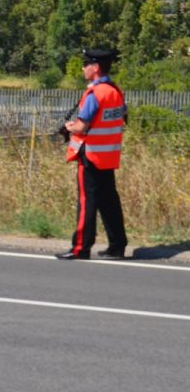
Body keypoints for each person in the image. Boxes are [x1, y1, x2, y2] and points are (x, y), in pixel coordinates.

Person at [56, 48, 127, 260]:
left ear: (95, 68)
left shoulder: (94, 94)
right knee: (109, 202)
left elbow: (82, 126)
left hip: (91, 156)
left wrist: (69, 127)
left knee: (87, 202)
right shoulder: (115, 91)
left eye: (86, 64)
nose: (83, 68)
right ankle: (117, 246)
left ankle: (80, 248)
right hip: (109, 156)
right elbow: (120, 117)